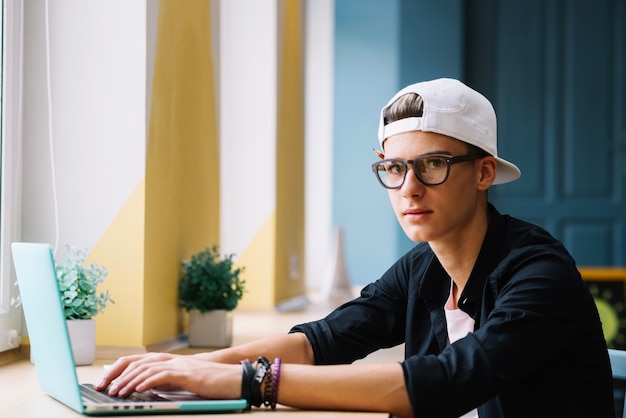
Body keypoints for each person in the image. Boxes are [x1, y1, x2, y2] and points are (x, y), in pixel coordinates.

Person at [96, 78, 614, 417]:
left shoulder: (539, 272)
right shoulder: (423, 268)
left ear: (483, 173)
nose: (409, 187)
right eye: (394, 168)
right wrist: (197, 370)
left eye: (432, 165)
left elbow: (445, 382)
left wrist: (251, 382)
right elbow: (323, 341)